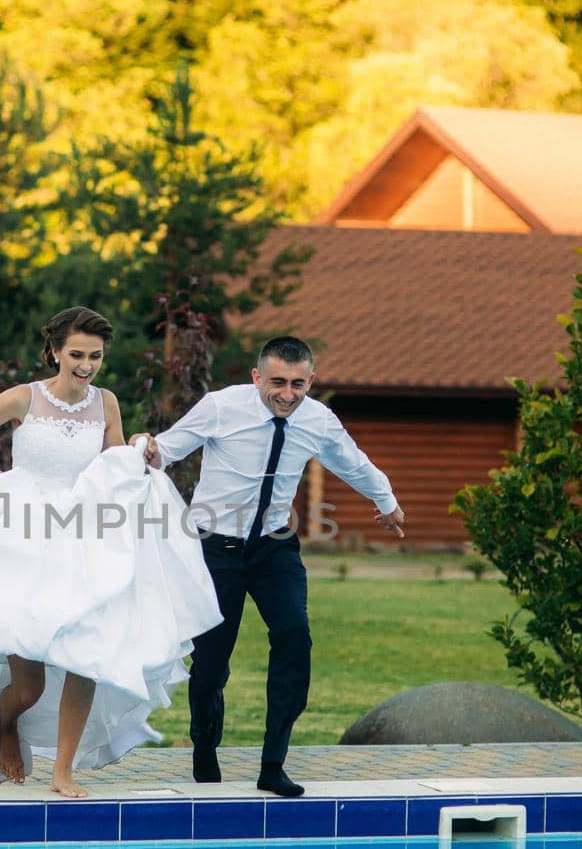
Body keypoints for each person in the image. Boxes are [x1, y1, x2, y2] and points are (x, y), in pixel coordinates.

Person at [0, 307, 221, 797]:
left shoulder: (108, 403)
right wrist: (1, 483)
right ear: (55, 351)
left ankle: (63, 771)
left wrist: (138, 449)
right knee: (30, 686)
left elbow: (115, 463)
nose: (85, 364)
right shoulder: (24, 397)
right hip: (26, 536)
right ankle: (5, 720)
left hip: (84, 536)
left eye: (95, 356)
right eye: (76, 354)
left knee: (88, 654)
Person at [134, 336, 405, 797]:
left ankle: (273, 763)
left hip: (275, 547)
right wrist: (142, 446)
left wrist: (387, 500)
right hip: (215, 550)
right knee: (210, 665)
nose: (287, 393)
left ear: (311, 381)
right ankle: (204, 750)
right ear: (257, 377)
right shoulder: (222, 406)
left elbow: (352, 463)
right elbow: (167, 450)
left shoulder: (317, 419)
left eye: (298, 384)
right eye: (277, 382)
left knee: (294, 636)